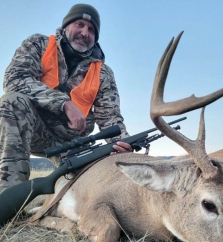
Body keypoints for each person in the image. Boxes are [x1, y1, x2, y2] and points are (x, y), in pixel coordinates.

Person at [0, 4, 132, 192]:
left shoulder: (103, 73)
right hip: (34, 131)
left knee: (90, 191)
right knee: (12, 102)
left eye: (91, 30)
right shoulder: (38, 44)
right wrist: (64, 104)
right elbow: (15, 79)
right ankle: (10, 194)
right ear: (66, 26)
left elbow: (110, 119)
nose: (85, 33)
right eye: (80, 24)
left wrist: (125, 144)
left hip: (74, 145)